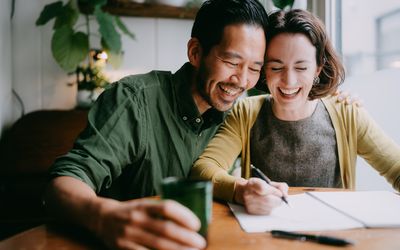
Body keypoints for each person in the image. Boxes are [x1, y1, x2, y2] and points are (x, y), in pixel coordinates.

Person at [44, 0, 268, 249]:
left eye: (255, 68)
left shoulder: (236, 113)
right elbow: (64, 182)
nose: (243, 80)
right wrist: (103, 216)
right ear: (195, 52)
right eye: (232, 63)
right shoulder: (134, 99)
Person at [191, 9, 400, 215]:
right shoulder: (246, 113)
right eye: (276, 67)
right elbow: (204, 168)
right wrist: (240, 189)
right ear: (264, 69)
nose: (288, 81)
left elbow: (396, 168)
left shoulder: (347, 112)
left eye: (301, 68)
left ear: (318, 68)